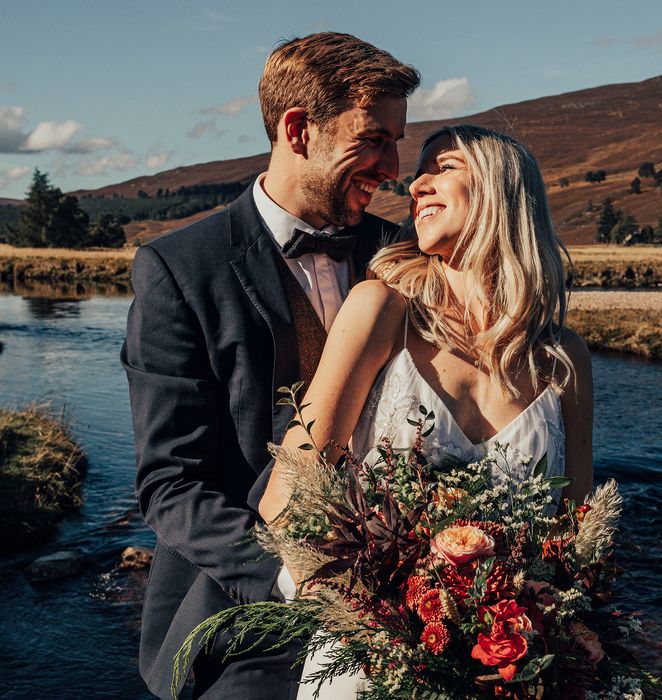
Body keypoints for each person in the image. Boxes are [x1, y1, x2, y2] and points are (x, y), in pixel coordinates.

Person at [121, 32, 419, 699]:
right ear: (297, 129)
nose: (393, 166)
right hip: (241, 616)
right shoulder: (178, 269)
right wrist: (297, 577)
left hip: (403, 603)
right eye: (374, 139)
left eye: (397, 141)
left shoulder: (403, 253)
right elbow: (171, 485)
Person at [259, 124, 594, 699]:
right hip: (372, 661)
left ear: (501, 191)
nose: (417, 184)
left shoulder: (563, 359)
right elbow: (289, 494)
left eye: (444, 168)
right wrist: (367, 624)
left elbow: (574, 538)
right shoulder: (380, 309)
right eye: (420, 173)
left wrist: (549, 629)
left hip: (505, 671)